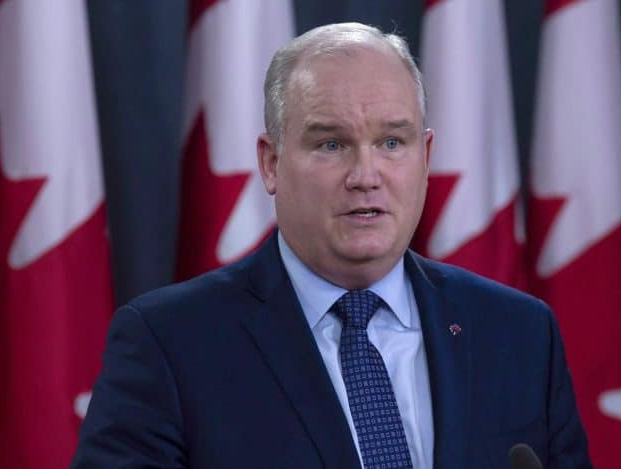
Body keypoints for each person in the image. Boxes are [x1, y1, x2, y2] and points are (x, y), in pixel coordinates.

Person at [72, 22, 591, 468]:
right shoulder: (169, 343)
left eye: (392, 142)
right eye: (331, 144)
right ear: (271, 163)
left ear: (426, 157)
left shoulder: (519, 334)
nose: (366, 175)